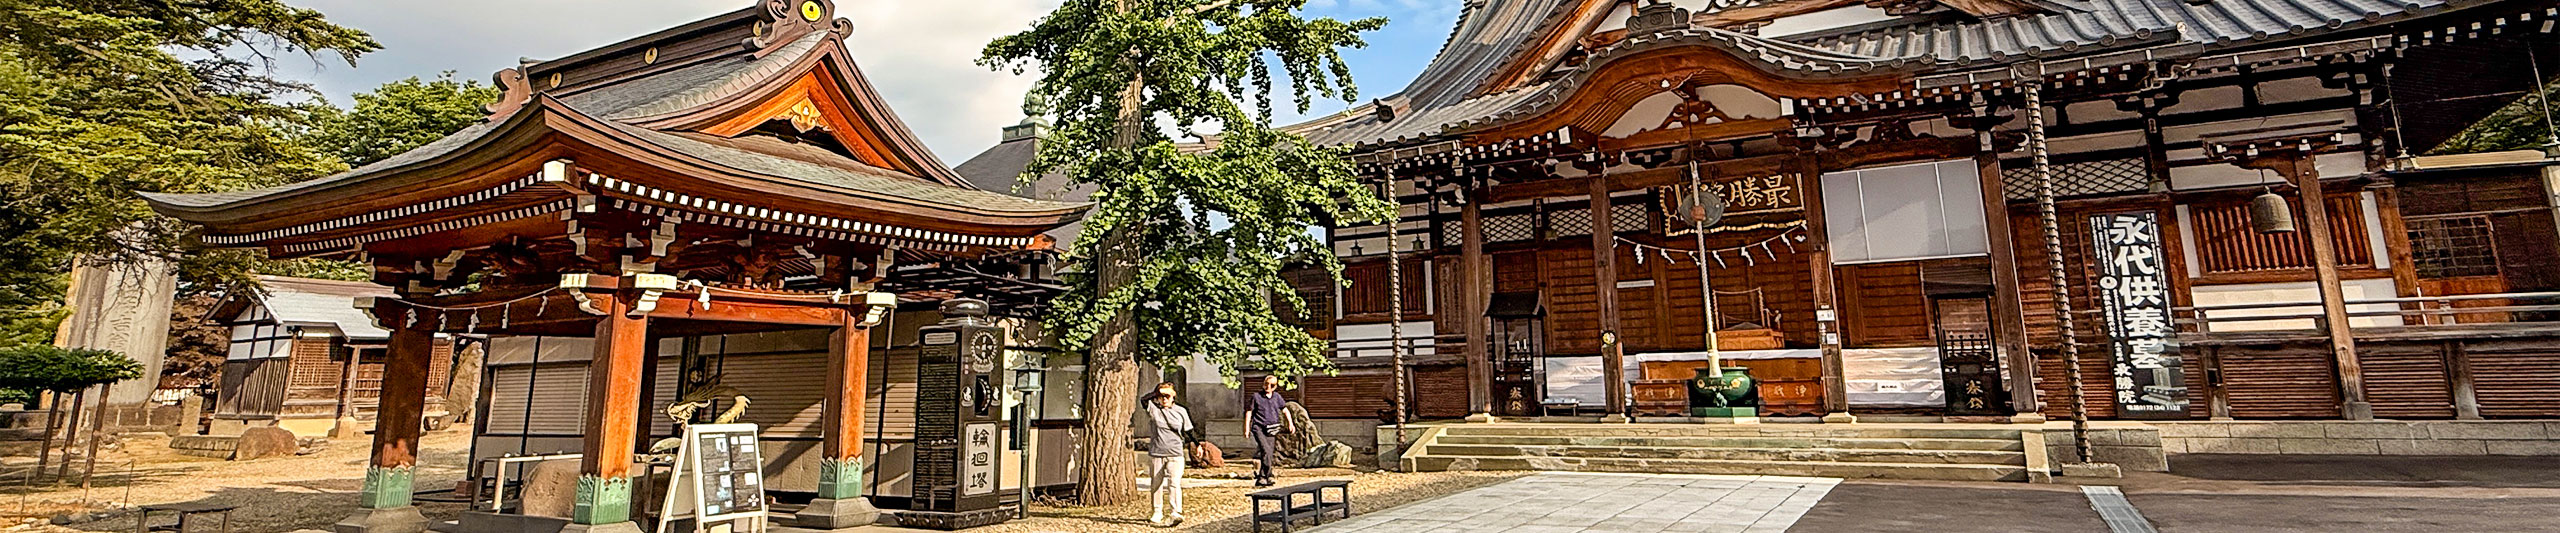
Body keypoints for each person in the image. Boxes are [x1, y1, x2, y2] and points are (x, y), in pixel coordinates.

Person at [1144, 382, 1194, 527]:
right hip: (1157, 452)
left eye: (1167, 396)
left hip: (1175, 452)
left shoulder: (1181, 411)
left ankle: (1176, 511)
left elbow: (1188, 430)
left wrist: (1197, 444)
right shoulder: (1154, 409)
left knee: (1174, 482)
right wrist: (1158, 392)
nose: (1164, 399)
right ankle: (1157, 511)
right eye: (1161, 396)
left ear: (1173, 396)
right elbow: (1143, 400)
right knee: (1156, 483)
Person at [1243, 374, 1290, 487]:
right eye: (1266, 384)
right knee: (1266, 450)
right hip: (1258, 427)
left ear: (1275, 386)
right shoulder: (1256, 396)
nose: (1268, 387)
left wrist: (1290, 423)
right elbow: (1249, 412)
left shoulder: (1277, 397)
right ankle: (1267, 475)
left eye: (1272, 385)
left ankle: (1263, 477)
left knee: (1268, 453)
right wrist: (1246, 428)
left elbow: (1285, 410)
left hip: (1272, 429)